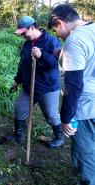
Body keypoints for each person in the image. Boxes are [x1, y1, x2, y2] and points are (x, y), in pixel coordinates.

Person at [48, 4, 95, 184]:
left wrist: (66, 117)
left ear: (59, 23)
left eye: (55, 31)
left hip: (86, 105)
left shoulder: (74, 40)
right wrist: (63, 55)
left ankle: (88, 179)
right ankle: (79, 169)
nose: (58, 36)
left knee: (86, 150)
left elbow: (73, 86)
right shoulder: (92, 29)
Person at [0, 16, 63, 148]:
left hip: (47, 87)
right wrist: (17, 80)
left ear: (32, 28)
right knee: (19, 109)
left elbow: (55, 63)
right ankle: (19, 135)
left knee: (51, 116)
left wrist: (42, 55)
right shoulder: (27, 44)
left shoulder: (51, 41)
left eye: (24, 33)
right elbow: (23, 64)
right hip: (29, 86)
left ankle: (59, 137)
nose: (23, 36)